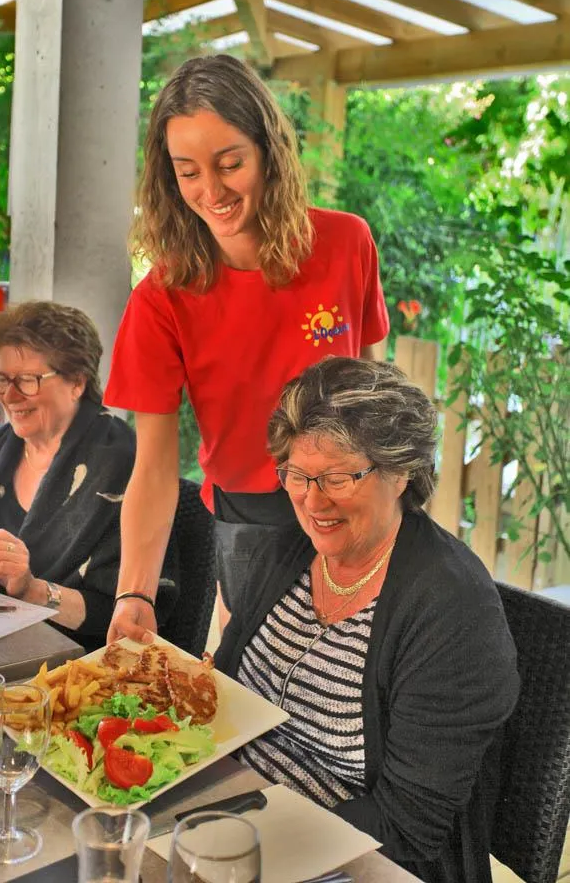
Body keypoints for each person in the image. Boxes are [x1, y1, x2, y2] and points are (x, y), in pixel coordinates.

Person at [104, 54, 389, 644]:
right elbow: (154, 465)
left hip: (356, 496)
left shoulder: (345, 243)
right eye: (188, 172)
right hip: (252, 515)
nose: (211, 191)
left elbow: (375, 396)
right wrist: (134, 593)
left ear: (268, 152)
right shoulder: (162, 299)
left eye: (230, 163)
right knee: (258, 680)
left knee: (363, 681)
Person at [214, 357, 520, 883]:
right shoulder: (287, 550)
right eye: (296, 474)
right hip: (233, 812)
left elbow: (408, 825)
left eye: (337, 477)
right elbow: (225, 685)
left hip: (352, 859)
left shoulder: (453, 611)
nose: (312, 500)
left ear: (400, 471)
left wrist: (251, 846)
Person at [0, 301, 178, 648]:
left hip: (67, 662)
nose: (10, 396)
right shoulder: (2, 446)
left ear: (77, 382)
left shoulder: (121, 465)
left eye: (28, 380)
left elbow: (119, 609)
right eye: (2, 379)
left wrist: (32, 588)